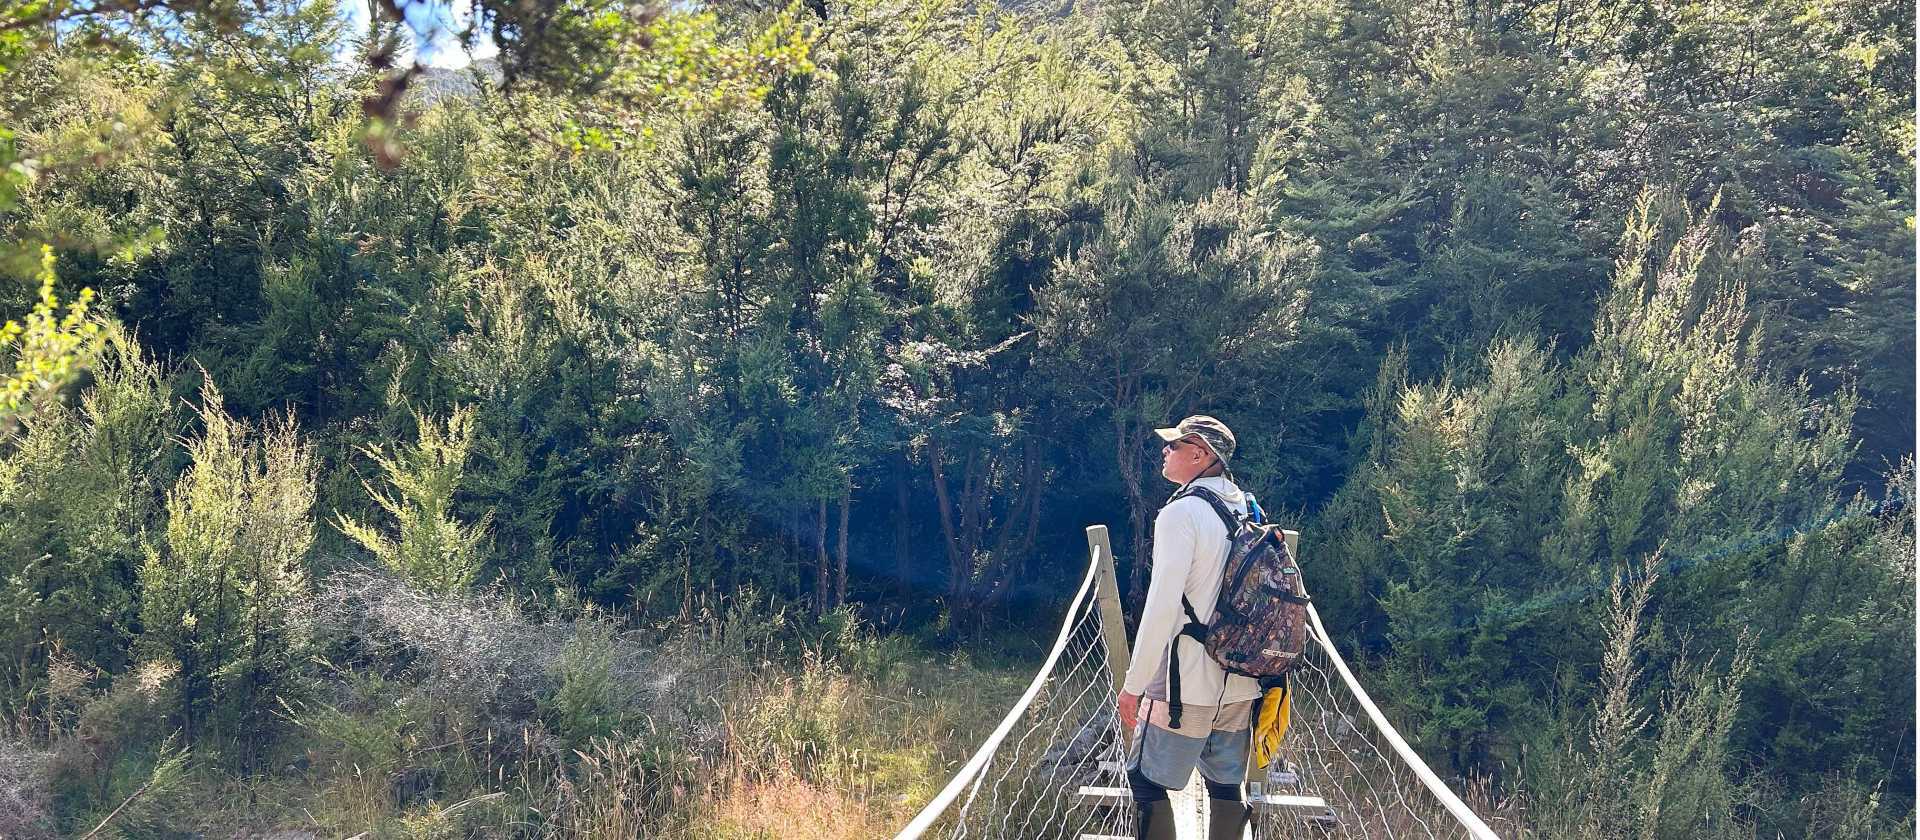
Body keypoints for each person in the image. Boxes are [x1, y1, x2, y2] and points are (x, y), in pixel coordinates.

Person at [1119, 414, 1261, 840]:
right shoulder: (1247, 507)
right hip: (1240, 679)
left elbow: (1161, 609)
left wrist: (1134, 684)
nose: (1165, 451)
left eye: (1174, 445)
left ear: (1200, 454)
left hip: (1186, 686)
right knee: (1224, 782)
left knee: (1144, 779)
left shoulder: (1181, 513)